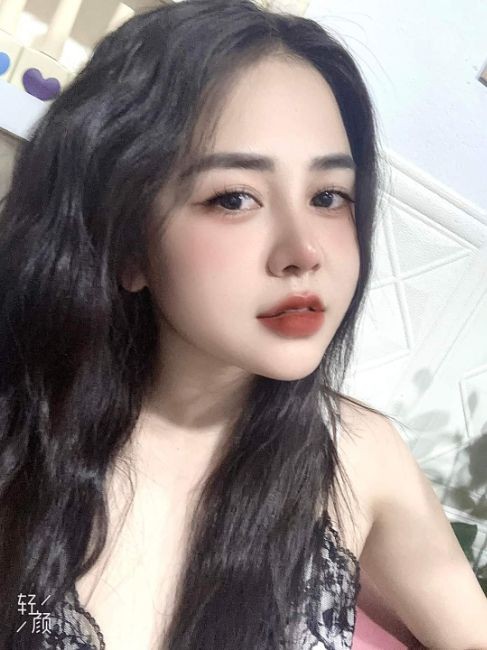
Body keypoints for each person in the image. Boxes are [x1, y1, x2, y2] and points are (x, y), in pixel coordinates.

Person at [1, 1, 486, 648]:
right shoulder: (22, 444)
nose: (304, 250)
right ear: (127, 244)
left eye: (328, 197)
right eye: (234, 198)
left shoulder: (359, 456)